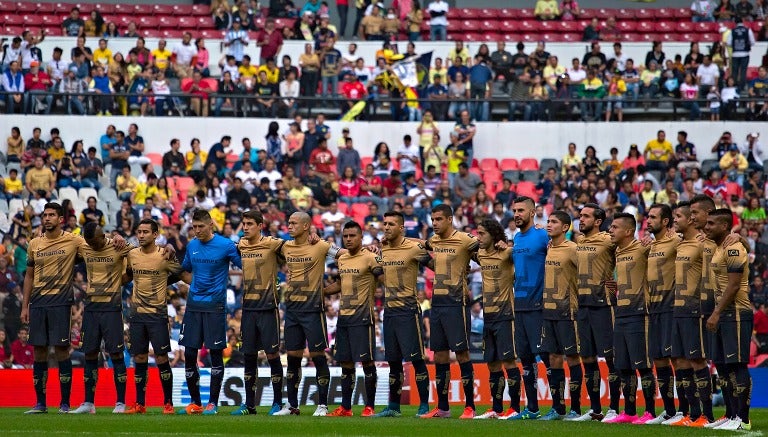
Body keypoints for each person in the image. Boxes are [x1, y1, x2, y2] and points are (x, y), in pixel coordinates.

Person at [20, 203, 121, 414]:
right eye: (45, 215)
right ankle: (40, 403)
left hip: (60, 302)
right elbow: (29, 275)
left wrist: (116, 237)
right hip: (38, 303)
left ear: (60, 219)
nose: (47, 218)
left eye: (51, 215)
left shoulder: (74, 241)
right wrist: (25, 305)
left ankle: (64, 403)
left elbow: (98, 244)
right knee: (39, 351)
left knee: (61, 350)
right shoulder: (34, 244)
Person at [271, 212, 350, 416]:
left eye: (294, 223)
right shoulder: (285, 246)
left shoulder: (321, 246)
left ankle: (322, 405)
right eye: (288, 223)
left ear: (306, 226)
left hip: (313, 309)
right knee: (293, 357)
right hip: (292, 310)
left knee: (317, 356)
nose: (289, 226)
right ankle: (292, 405)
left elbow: (346, 254)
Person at [177, 210, 242, 415]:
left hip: (215, 306)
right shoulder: (192, 245)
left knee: (215, 353)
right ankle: (195, 403)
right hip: (194, 305)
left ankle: (212, 403)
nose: (197, 231)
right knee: (189, 353)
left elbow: (245, 265)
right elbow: (185, 269)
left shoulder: (226, 245)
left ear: (211, 225)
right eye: (194, 227)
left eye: (200, 227)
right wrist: (190, 284)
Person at [419, 204, 480, 419]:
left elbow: (483, 250)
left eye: (438, 219)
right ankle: (443, 408)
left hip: (457, 303)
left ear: (449, 219)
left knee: (462, 353)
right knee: (440, 355)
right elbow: (421, 246)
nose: (434, 223)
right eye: (433, 219)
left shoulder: (465, 239)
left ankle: (470, 407)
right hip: (437, 304)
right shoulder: (434, 241)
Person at [372, 211, 433, 418]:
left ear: (401, 228)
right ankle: (393, 406)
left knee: (416, 359)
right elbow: (378, 275)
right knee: (394, 361)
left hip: (408, 310)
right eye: (384, 223)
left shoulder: (414, 248)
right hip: (389, 311)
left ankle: (424, 405)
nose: (386, 227)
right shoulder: (385, 249)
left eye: (391, 224)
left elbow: (435, 265)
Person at [230, 210, 287, 416]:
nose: (245, 227)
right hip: (248, 308)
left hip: (268, 308)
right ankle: (250, 405)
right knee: (249, 355)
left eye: (249, 224)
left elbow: (297, 248)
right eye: (243, 223)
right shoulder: (241, 245)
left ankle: (278, 402)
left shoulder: (273, 243)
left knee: (272, 354)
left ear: (260, 225)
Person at [324, 221, 383, 417]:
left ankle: (369, 407)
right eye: (346, 236)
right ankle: (346, 407)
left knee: (366, 363)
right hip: (344, 318)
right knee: (346, 364)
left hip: (363, 317)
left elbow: (384, 279)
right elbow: (340, 284)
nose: (348, 239)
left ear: (361, 237)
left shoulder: (370, 257)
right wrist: (320, 292)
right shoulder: (342, 259)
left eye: (352, 236)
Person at [123, 219, 182, 415]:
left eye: (145, 232)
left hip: (157, 315)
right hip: (137, 315)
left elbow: (181, 273)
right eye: (139, 231)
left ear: (155, 234)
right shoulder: (132, 254)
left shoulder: (165, 255)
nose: (141, 235)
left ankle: (168, 403)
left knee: (161, 357)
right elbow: (127, 276)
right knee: (139, 357)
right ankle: (139, 403)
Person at [603, 213, 658, 424]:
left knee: (643, 365)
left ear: (628, 231)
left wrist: (651, 242)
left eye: (615, 227)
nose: (611, 230)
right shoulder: (618, 251)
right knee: (623, 366)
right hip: (621, 312)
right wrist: (616, 288)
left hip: (639, 313)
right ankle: (629, 411)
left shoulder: (643, 248)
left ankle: (651, 412)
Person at [704, 209, 754, 431]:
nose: (707, 227)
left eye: (711, 223)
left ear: (724, 226)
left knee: (737, 365)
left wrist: (716, 312)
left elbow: (734, 285)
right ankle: (732, 414)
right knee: (723, 366)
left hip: (735, 312)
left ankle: (743, 419)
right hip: (723, 313)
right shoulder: (718, 247)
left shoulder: (733, 246)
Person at [571, 204, 620, 422]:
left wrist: (619, 282)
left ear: (598, 221)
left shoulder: (609, 240)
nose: (581, 219)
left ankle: (615, 409)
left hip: (604, 305)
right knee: (587, 358)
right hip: (582, 306)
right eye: (580, 216)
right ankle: (595, 409)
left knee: (611, 358)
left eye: (586, 216)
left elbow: (632, 255)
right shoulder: (579, 241)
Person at [669, 201, 715, 427]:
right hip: (678, 308)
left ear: (689, 219)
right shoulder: (680, 243)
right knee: (680, 361)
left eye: (678, 216)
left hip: (694, 309)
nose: (674, 219)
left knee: (697, 360)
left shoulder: (701, 243)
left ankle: (708, 415)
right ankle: (692, 413)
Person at [471, 219, 520, 419]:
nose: (478, 237)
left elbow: (527, 254)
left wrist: (510, 246)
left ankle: (515, 407)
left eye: (482, 233)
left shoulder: (507, 253)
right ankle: (496, 408)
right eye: (477, 233)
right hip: (488, 316)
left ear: (493, 234)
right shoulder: (481, 254)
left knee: (508, 361)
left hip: (505, 314)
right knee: (492, 363)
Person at [508, 196, 550, 420]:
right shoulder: (516, 238)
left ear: (533, 213)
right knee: (524, 359)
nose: (517, 214)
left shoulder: (543, 235)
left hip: (538, 306)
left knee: (546, 356)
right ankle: (532, 408)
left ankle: (559, 408)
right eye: (515, 210)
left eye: (521, 210)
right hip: (520, 305)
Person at [539, 211, 582, 420]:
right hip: (549, 311)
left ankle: (575, 408)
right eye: (548, 221)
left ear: (565, 228)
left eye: (554, 222)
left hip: (568, 311)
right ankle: (557, 407)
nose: (549, 224)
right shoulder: (549, 248)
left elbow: (587, 272)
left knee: (572, 357)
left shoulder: (573, 249)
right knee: (553, 358)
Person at [643, 204, 681, 424]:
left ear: (665, 222)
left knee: (676, 359)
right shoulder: (652, 244)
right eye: (648, 216)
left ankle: (686, 411)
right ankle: (669, 411)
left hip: (670, 307)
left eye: (653, 217)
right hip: (653, 308)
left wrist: (738, 239)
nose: (648, 220)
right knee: (659, 360)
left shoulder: (676, 241)